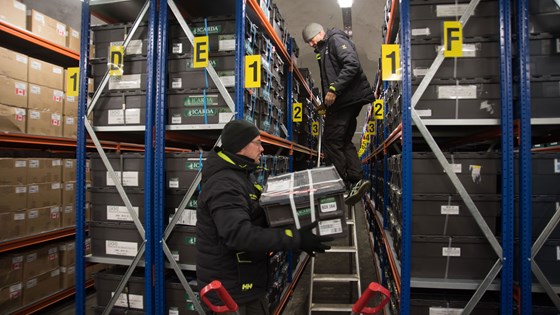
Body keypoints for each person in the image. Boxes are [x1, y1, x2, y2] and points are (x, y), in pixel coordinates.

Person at [196, 119, 334, 315]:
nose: (262, 148)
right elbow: (239, 235)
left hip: (245, 285)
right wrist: (295, 238)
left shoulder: (242, 175)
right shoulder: (224, 184)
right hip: (230, 295)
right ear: (241, 146)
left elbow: (256, 216)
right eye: (258, 142)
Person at [302, 22, 374, 205]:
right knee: (343, 141)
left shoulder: (336, 40)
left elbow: (352, 65)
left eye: (311, 40)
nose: (311, 44)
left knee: (330, 140)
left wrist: (334, 89)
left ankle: (342, 183)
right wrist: (327, 104)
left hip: (346, 100)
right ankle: (357, 180)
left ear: (320, 32)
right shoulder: (324, 49)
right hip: (345, 101)